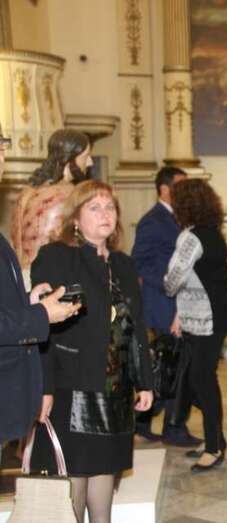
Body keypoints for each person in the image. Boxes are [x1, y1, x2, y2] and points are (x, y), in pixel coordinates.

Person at [30, 180, 154, 523]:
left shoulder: (124, 264)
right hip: (74, 386)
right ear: (75, 218)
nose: (105, 214)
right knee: (76, 475)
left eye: (110, 207)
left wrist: (144, 381)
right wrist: (44, 387)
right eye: (94, 208)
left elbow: (136, 326)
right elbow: (44, 326)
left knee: (105, 468)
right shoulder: (58, 256)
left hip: (115, 388)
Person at [0, 129, 81, 459]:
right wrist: (41, 314)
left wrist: (27, 301)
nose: (3, 157)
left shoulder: (25, 195)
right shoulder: (63, 195)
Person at [164, 179, 227, 473]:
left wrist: (169, 290)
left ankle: (214, 447)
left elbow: (173, 279)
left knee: (201, 380)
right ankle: (215, 438)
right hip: (214, 313)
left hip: (207, 317)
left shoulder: (190, 238)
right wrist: (180, 315)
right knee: (201, 379)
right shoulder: (213, 233)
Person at [132, 166, 201, 446]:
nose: (186, 192)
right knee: (174, 368)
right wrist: (168, 282)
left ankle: (142, 420)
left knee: (170, 367)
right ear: (164, 189)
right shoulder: (153, 221)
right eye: (181, 186)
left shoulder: (180, 218)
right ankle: (173, 428)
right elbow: (140, 262)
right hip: (164, 304)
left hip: (179, 303)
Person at [11, 129, 93, 283]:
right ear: (70, 159)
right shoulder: (69, 194)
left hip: (17, 278)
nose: (90, 162)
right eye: (86, 157)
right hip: (50, 279)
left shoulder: (26, 192)